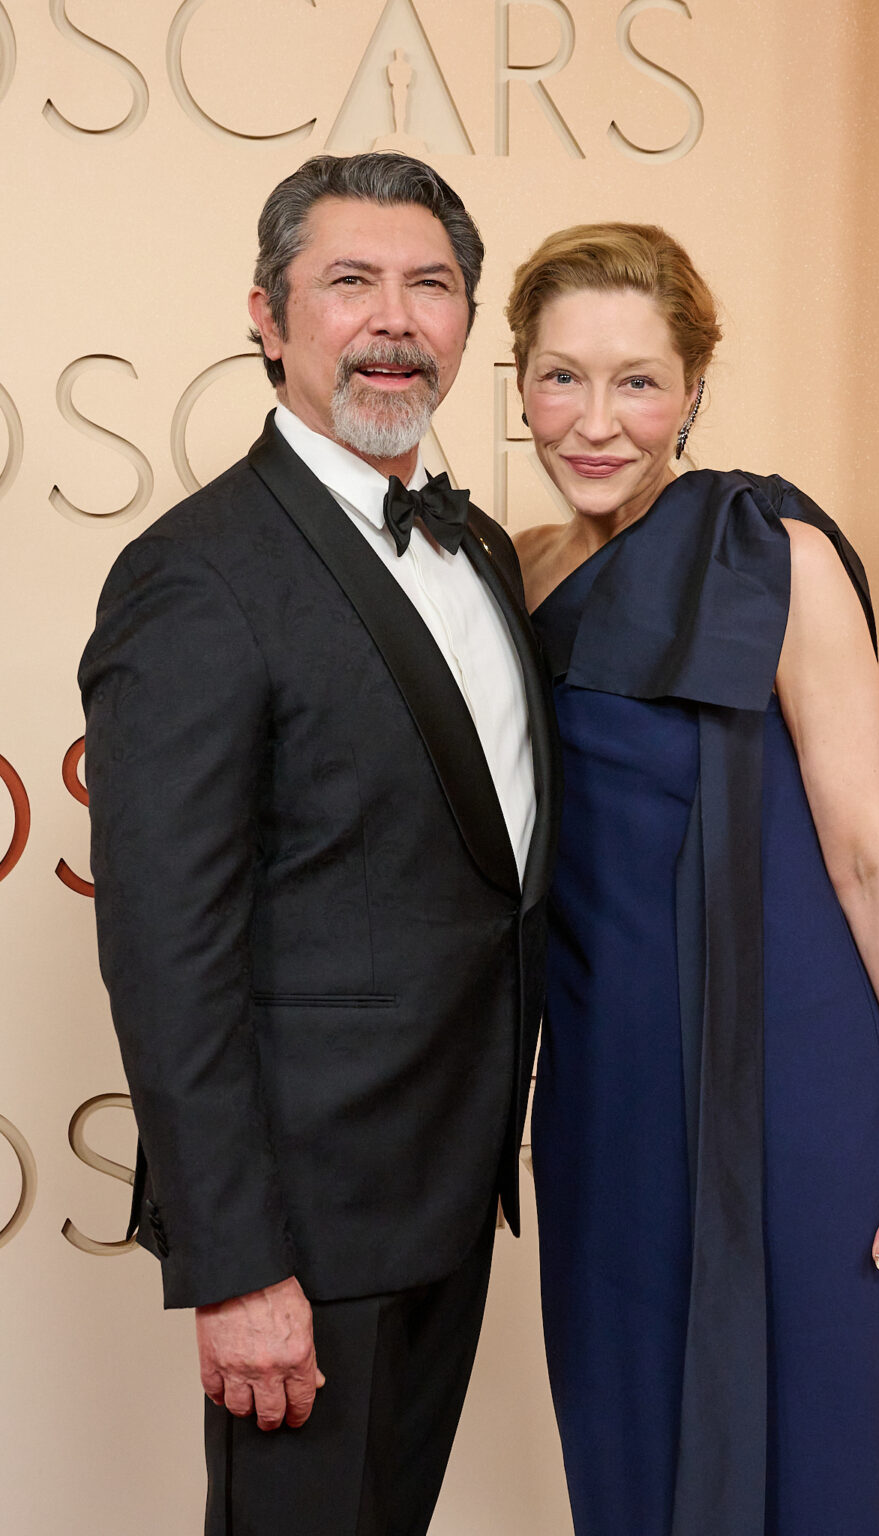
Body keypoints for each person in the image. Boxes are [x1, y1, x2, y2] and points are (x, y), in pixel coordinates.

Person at [79, 153, 558, 1536]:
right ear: (267, 317)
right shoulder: (198, 575)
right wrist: (236, 1270)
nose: (394, 319)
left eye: (432, 285)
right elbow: (167, 952)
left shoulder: (482, 554)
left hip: (451, 1188)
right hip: (302, 1228)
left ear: (468, 321)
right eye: (348, 282)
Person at [505, 223, 879, 1536]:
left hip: (793, 1073)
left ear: (695, 391)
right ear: (520, 382)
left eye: (638, 381)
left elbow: (868, 849)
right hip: (609, 1076)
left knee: (812, 1428)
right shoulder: (520, 568)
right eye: (561, 378)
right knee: (630, 1436)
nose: (596, 421)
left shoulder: (776, 550)